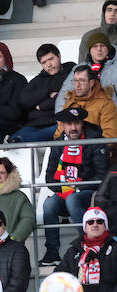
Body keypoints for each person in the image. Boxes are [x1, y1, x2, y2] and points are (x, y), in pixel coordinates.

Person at [42, 106, 110, 264]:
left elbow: (102, 177)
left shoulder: (95, 140)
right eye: (69, 124)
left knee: (73, 199)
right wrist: (64, 189)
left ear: (82, 123)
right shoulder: (58, 144)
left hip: (91, 193)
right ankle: (52, 253)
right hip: (66, 192)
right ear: (63, 126)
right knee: (49, 205)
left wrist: (77, 189)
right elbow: (49, 177)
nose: (73, 128)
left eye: (77, 123)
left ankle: (87, 245)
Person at [56, 207, 117, 292]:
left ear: (105, 226)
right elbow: (58, 277)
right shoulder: (74, 251)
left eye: (100, 221)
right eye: (90, 222)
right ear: (85, 226)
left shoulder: (115, 248)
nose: (95, 224)